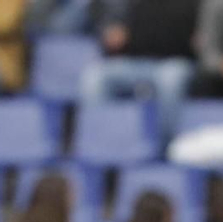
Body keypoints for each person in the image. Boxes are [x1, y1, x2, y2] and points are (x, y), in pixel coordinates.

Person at [80, 0, 200, 139]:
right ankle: (101, 144)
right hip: (133, 61)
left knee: (171, 77)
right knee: (94, 76)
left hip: (175, 61)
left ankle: (166, 146)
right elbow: (102, 12)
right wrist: (111, 30)